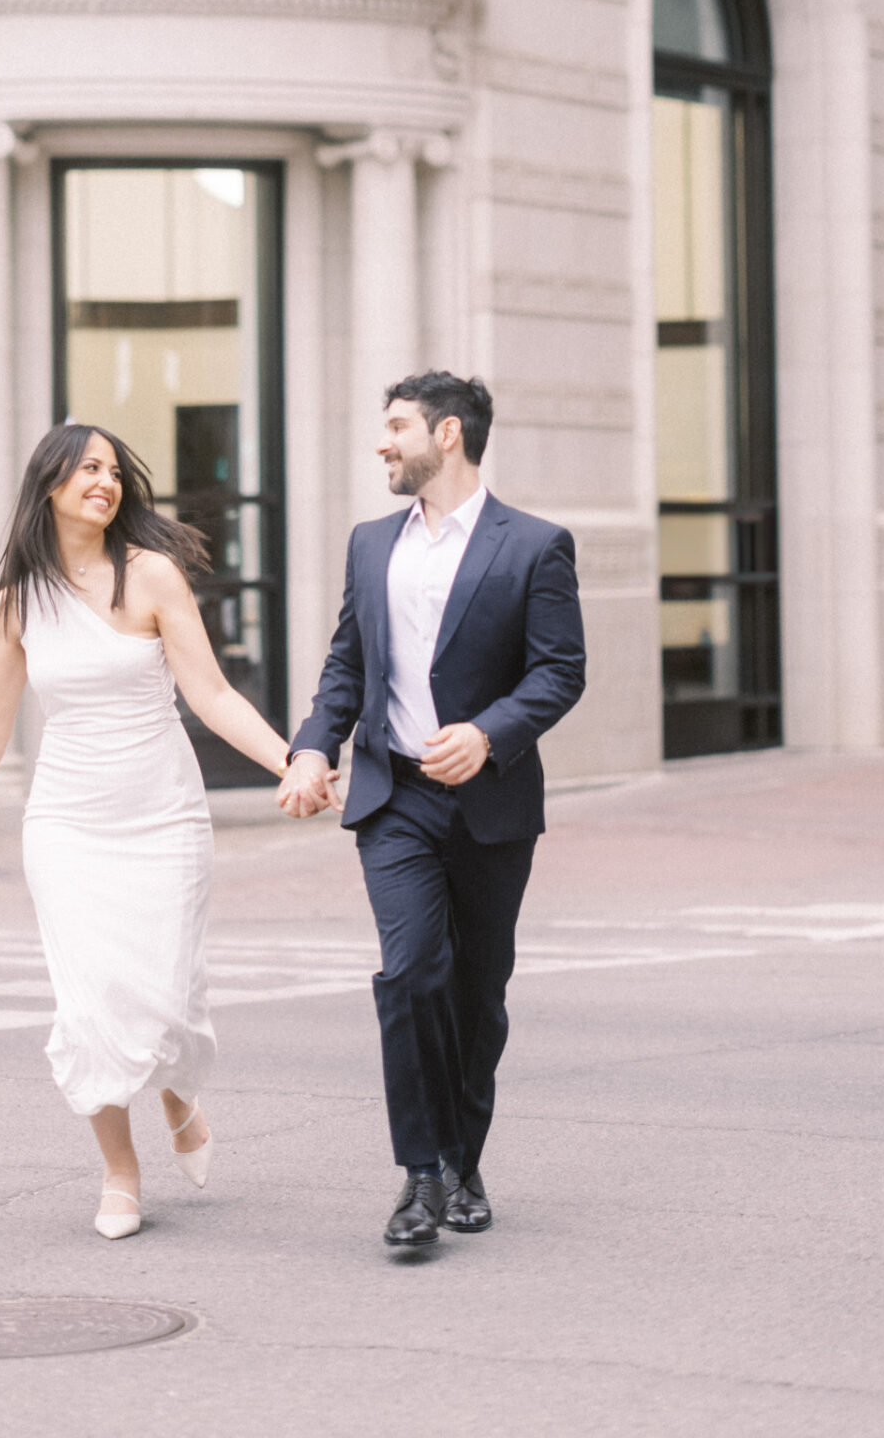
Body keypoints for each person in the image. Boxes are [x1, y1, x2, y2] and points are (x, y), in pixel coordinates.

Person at [0, 421, 296, 1240]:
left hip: (163, 815)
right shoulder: (20, 599)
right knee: (91, 1005)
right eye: (88, 469)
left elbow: (214, 696)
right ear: (48, 484)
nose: (105, 482)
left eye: (114, 471)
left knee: (166, 995)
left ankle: (179, 1090)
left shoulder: (151, 575)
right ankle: (121, 1172)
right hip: (68, 824)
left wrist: (291, 763)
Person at [277, 372, 584, 1249]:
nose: (383, 442)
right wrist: (312, 748)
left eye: (397, 427)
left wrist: (490, 735)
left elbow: (559, 671)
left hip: (489, 803)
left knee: (477, 995)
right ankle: (421, 1177)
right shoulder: (372, 545)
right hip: (395, 796)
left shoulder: (533, 546)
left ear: (447, 435)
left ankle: (463, 1159)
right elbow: (347, 665)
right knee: (412, 973)